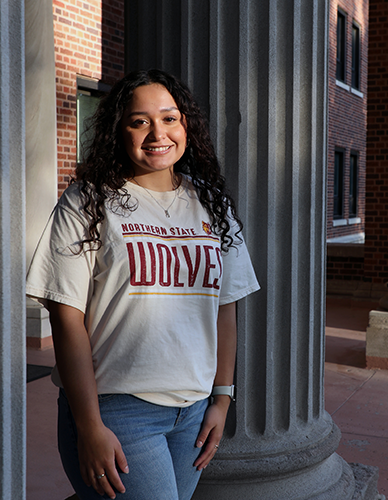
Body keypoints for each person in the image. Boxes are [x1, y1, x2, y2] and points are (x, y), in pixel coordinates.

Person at [26, 69, 260, 500]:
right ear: (120, 128)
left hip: (192, 414)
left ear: (187, 125)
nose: (158, 133)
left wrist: (222, 399)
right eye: (139, 121)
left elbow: (225, 306)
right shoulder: (88, 200)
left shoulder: (211, 203)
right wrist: (90, 426)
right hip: (117, 409)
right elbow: (66, 316)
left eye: (170, 118)